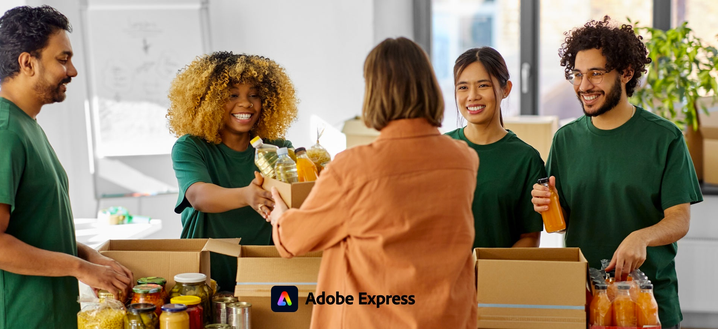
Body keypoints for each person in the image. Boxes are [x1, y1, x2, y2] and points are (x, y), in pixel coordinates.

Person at [267, 37, 479, 328]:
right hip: (447, 318)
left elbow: (295, 240)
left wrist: (280, 215)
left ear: (375, 92)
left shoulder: (353, 169)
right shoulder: (464, 161)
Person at [531, 16, 702, 329]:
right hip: (586, 300)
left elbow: (679, 219)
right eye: (578, 75)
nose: (584, 86)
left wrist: (643, 236)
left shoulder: (664, 138)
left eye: (596, 74)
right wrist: (544, 204)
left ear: (625, 73)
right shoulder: (566, 139)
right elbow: (560, 222)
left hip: (648, 303)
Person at [0, 5, 134, 328]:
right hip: (14, 319)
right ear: (27, 63)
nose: (72, 71)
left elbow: (34, 228)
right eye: (62, 59)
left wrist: (86, 255)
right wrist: (82, 269)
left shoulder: (25, 124)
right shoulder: (0, 133)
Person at [168, 51, 298, 293]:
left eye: (255, 95)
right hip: (205, 272)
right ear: (209, 101)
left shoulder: (279, 150)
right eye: (232, 95)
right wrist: (246, 196)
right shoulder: (191, 147)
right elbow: (198, 196)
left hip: (263, 267)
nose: (246, 103)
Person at [444, 47, 545, 248]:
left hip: (500, 277)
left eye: (483, 85)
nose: (472, 96)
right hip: (445, 277)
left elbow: (530, 238)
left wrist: (491, 273)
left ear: (506, 89)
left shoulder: (526, 159)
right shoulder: (440, 150)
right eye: (463, 87)